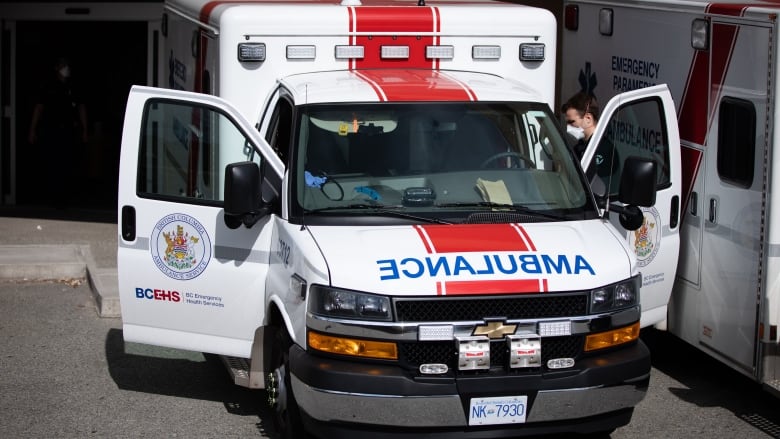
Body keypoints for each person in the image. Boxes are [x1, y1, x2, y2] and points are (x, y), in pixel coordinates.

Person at [28, 57, 88, 207]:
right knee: (51, 163)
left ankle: (64, 197)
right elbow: (39, 108)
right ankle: (52, 197)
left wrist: (85, 130)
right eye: (63, 66)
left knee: (67, 163)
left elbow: (81, 108)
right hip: (51, 131)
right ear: (56, 68)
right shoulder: (48, 86)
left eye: (67, 65)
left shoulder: (73, 86)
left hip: (68, 131)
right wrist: (32, 130)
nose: (66, 68)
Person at [561, 91, 617, 181]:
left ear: (588, 119)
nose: (568, 128)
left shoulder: (603, 150)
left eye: (571, 122)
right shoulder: (579, 148)